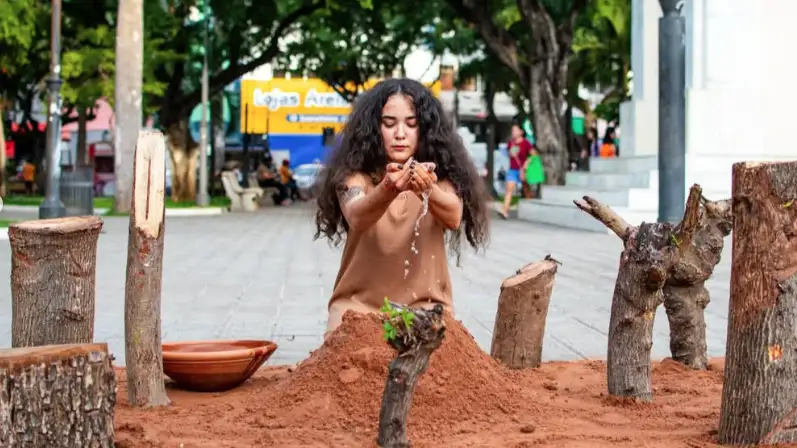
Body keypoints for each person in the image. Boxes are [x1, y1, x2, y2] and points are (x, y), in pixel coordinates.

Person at [314, 78, 490, 336]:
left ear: (425, 129)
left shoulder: (440, 178)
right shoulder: (354, 177)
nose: (400, 133)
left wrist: (427, 189)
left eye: (411, 124)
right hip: (356, 312)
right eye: (389, 123)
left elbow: (454, 216)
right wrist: (388, 188)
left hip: (427, 312)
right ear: (374, 128)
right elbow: (356, 216)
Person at [500, 124, 532, 219]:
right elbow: (509, 154)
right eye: (512, 130)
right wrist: (511, 153)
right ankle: (504, 211)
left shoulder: (526, 143)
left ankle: (529, 208)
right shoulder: (511, 143)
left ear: (521, 132)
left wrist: (526, 165)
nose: (513, 132)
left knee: (526, 188)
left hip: (523, 170)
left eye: (515, 130)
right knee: (509, 189)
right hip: (513, 170)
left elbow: (533, 155)